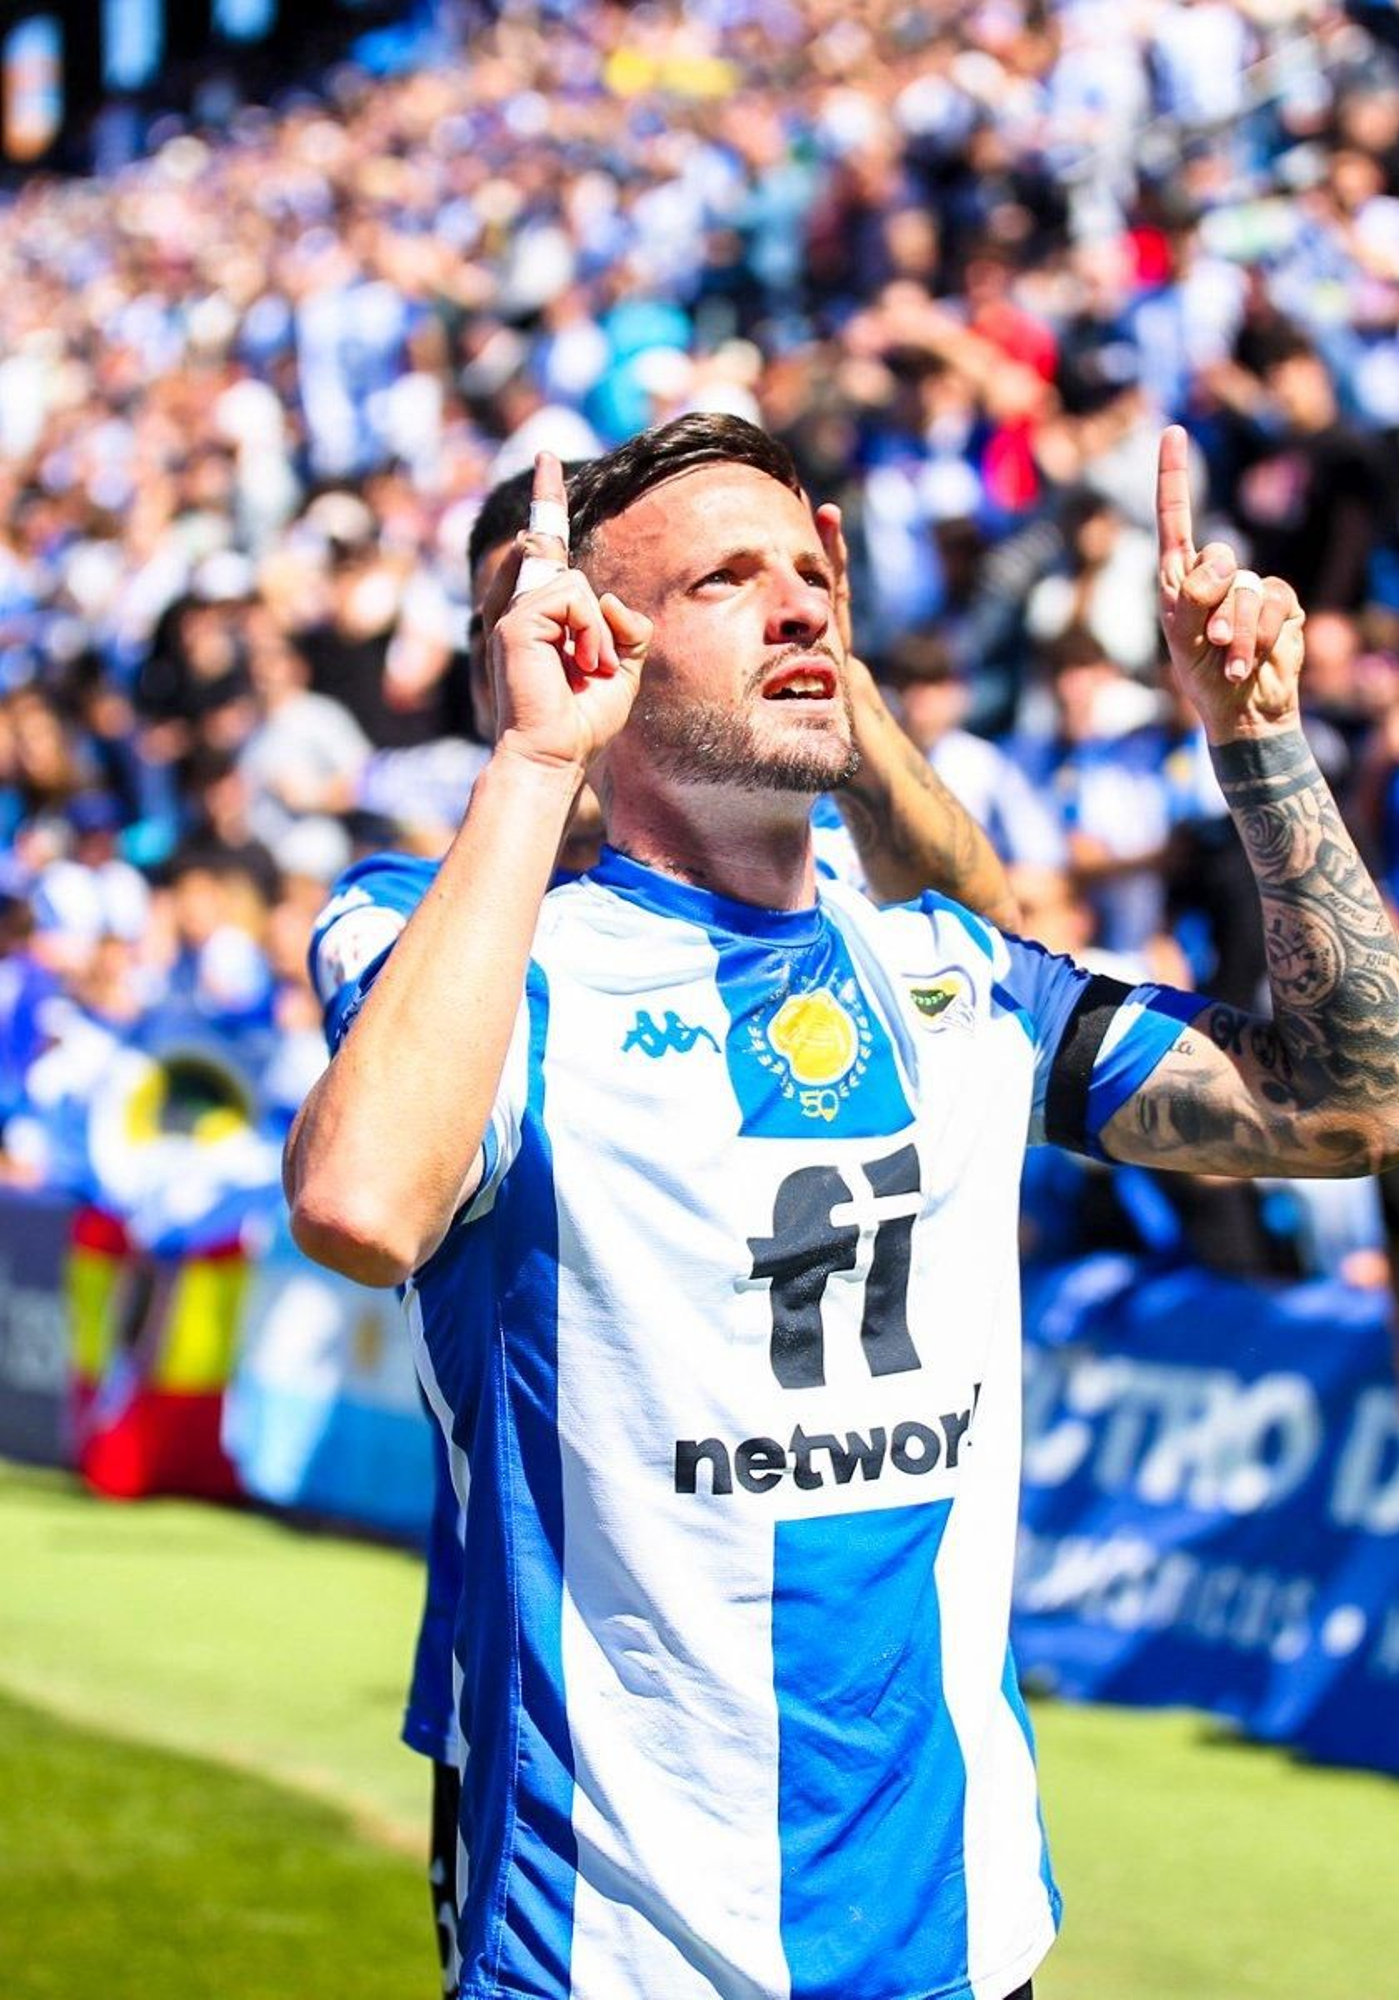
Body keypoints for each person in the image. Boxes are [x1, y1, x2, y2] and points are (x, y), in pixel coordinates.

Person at [285, 414, 1399, 2000]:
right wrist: (543, 752)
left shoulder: (953, 980)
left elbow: (1369, 1106)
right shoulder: (499, 982)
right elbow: (360, 1204)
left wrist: (1257, 743)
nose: (801, 606)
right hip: (617, 1956)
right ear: (597, 646)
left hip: (962, 1942)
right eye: (723, 580)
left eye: (814, 576)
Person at [307, 443, 1023, 2000]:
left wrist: (817, 646)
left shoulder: (845, 930)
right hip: (552, 1693)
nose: (556, 644)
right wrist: (554, 764)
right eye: (521, 609)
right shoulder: (413, 922)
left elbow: (990, 929)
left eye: (580, 604)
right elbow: (373, 1183)